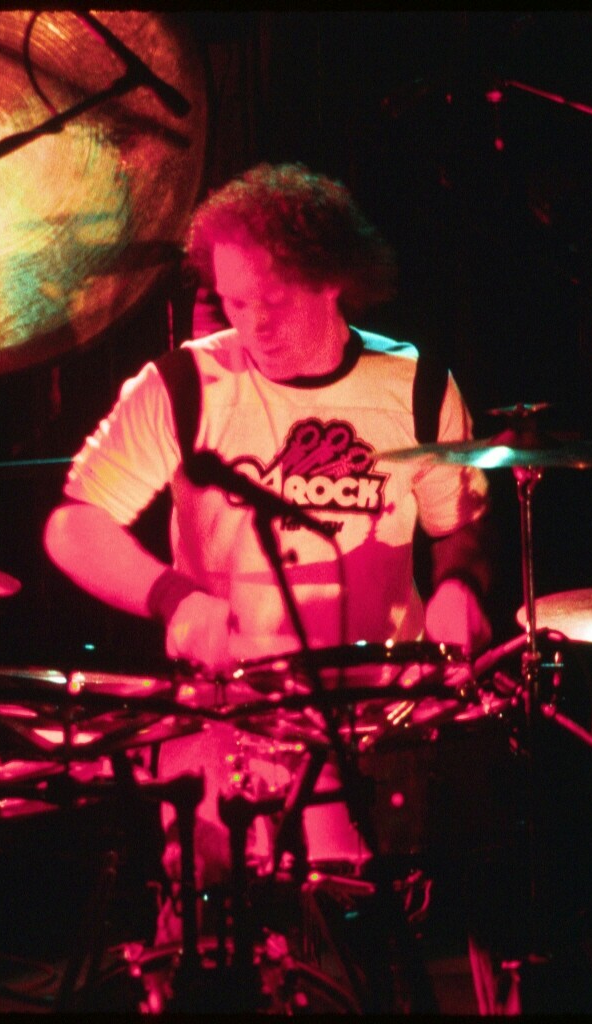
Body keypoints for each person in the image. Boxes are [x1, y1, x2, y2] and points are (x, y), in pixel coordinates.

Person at [43, 162, 507, 1011]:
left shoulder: (417, 386)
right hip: (226, 723)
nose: (251, 324)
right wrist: (175, 599)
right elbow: (74, 525)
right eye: (233, 301)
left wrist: (458, 589)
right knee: (220, 975)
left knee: (372, 972)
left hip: (374, 723)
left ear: (334, 280)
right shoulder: (184, 385)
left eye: (272, 301)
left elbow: (461, 526)